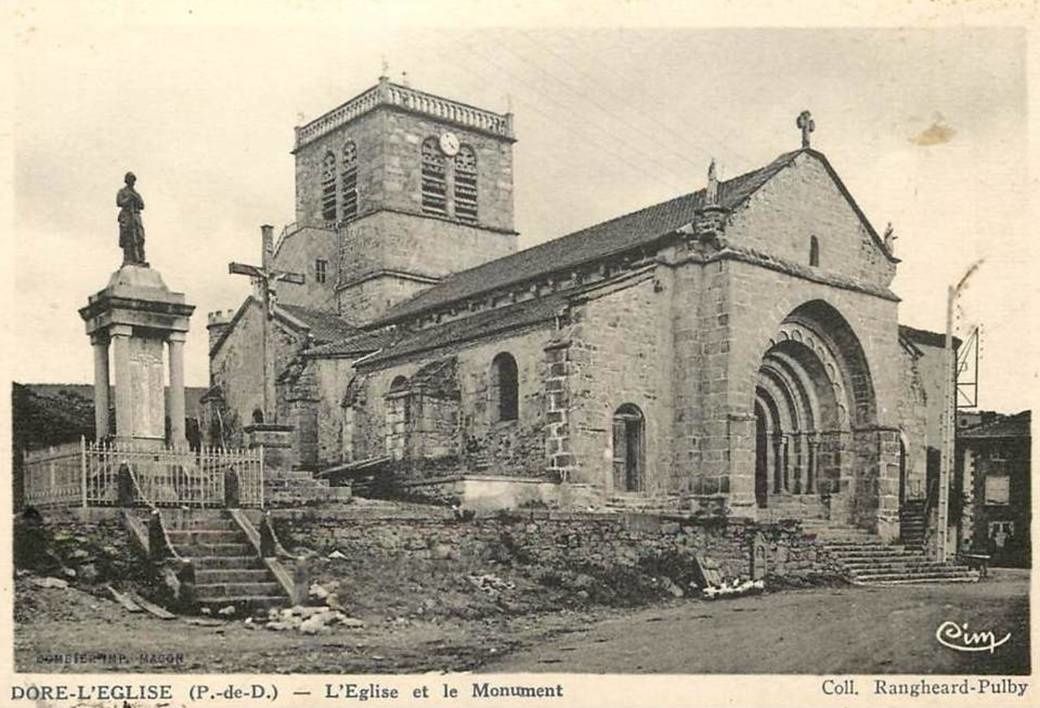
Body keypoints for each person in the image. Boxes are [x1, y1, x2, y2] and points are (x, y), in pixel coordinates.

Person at [117, 171, 146, 265]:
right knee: (128, 238)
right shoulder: (122, 192)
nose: (132, 181)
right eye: (130, 179)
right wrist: (128, 199)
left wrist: (134, 198)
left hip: (136, 216)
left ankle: (140, 259)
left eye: (133, 180)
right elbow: (119, 202)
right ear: (126, 180)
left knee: (139, 237)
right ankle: (128, 259)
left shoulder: (136, 194)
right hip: (127, 215)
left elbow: (142, 205)